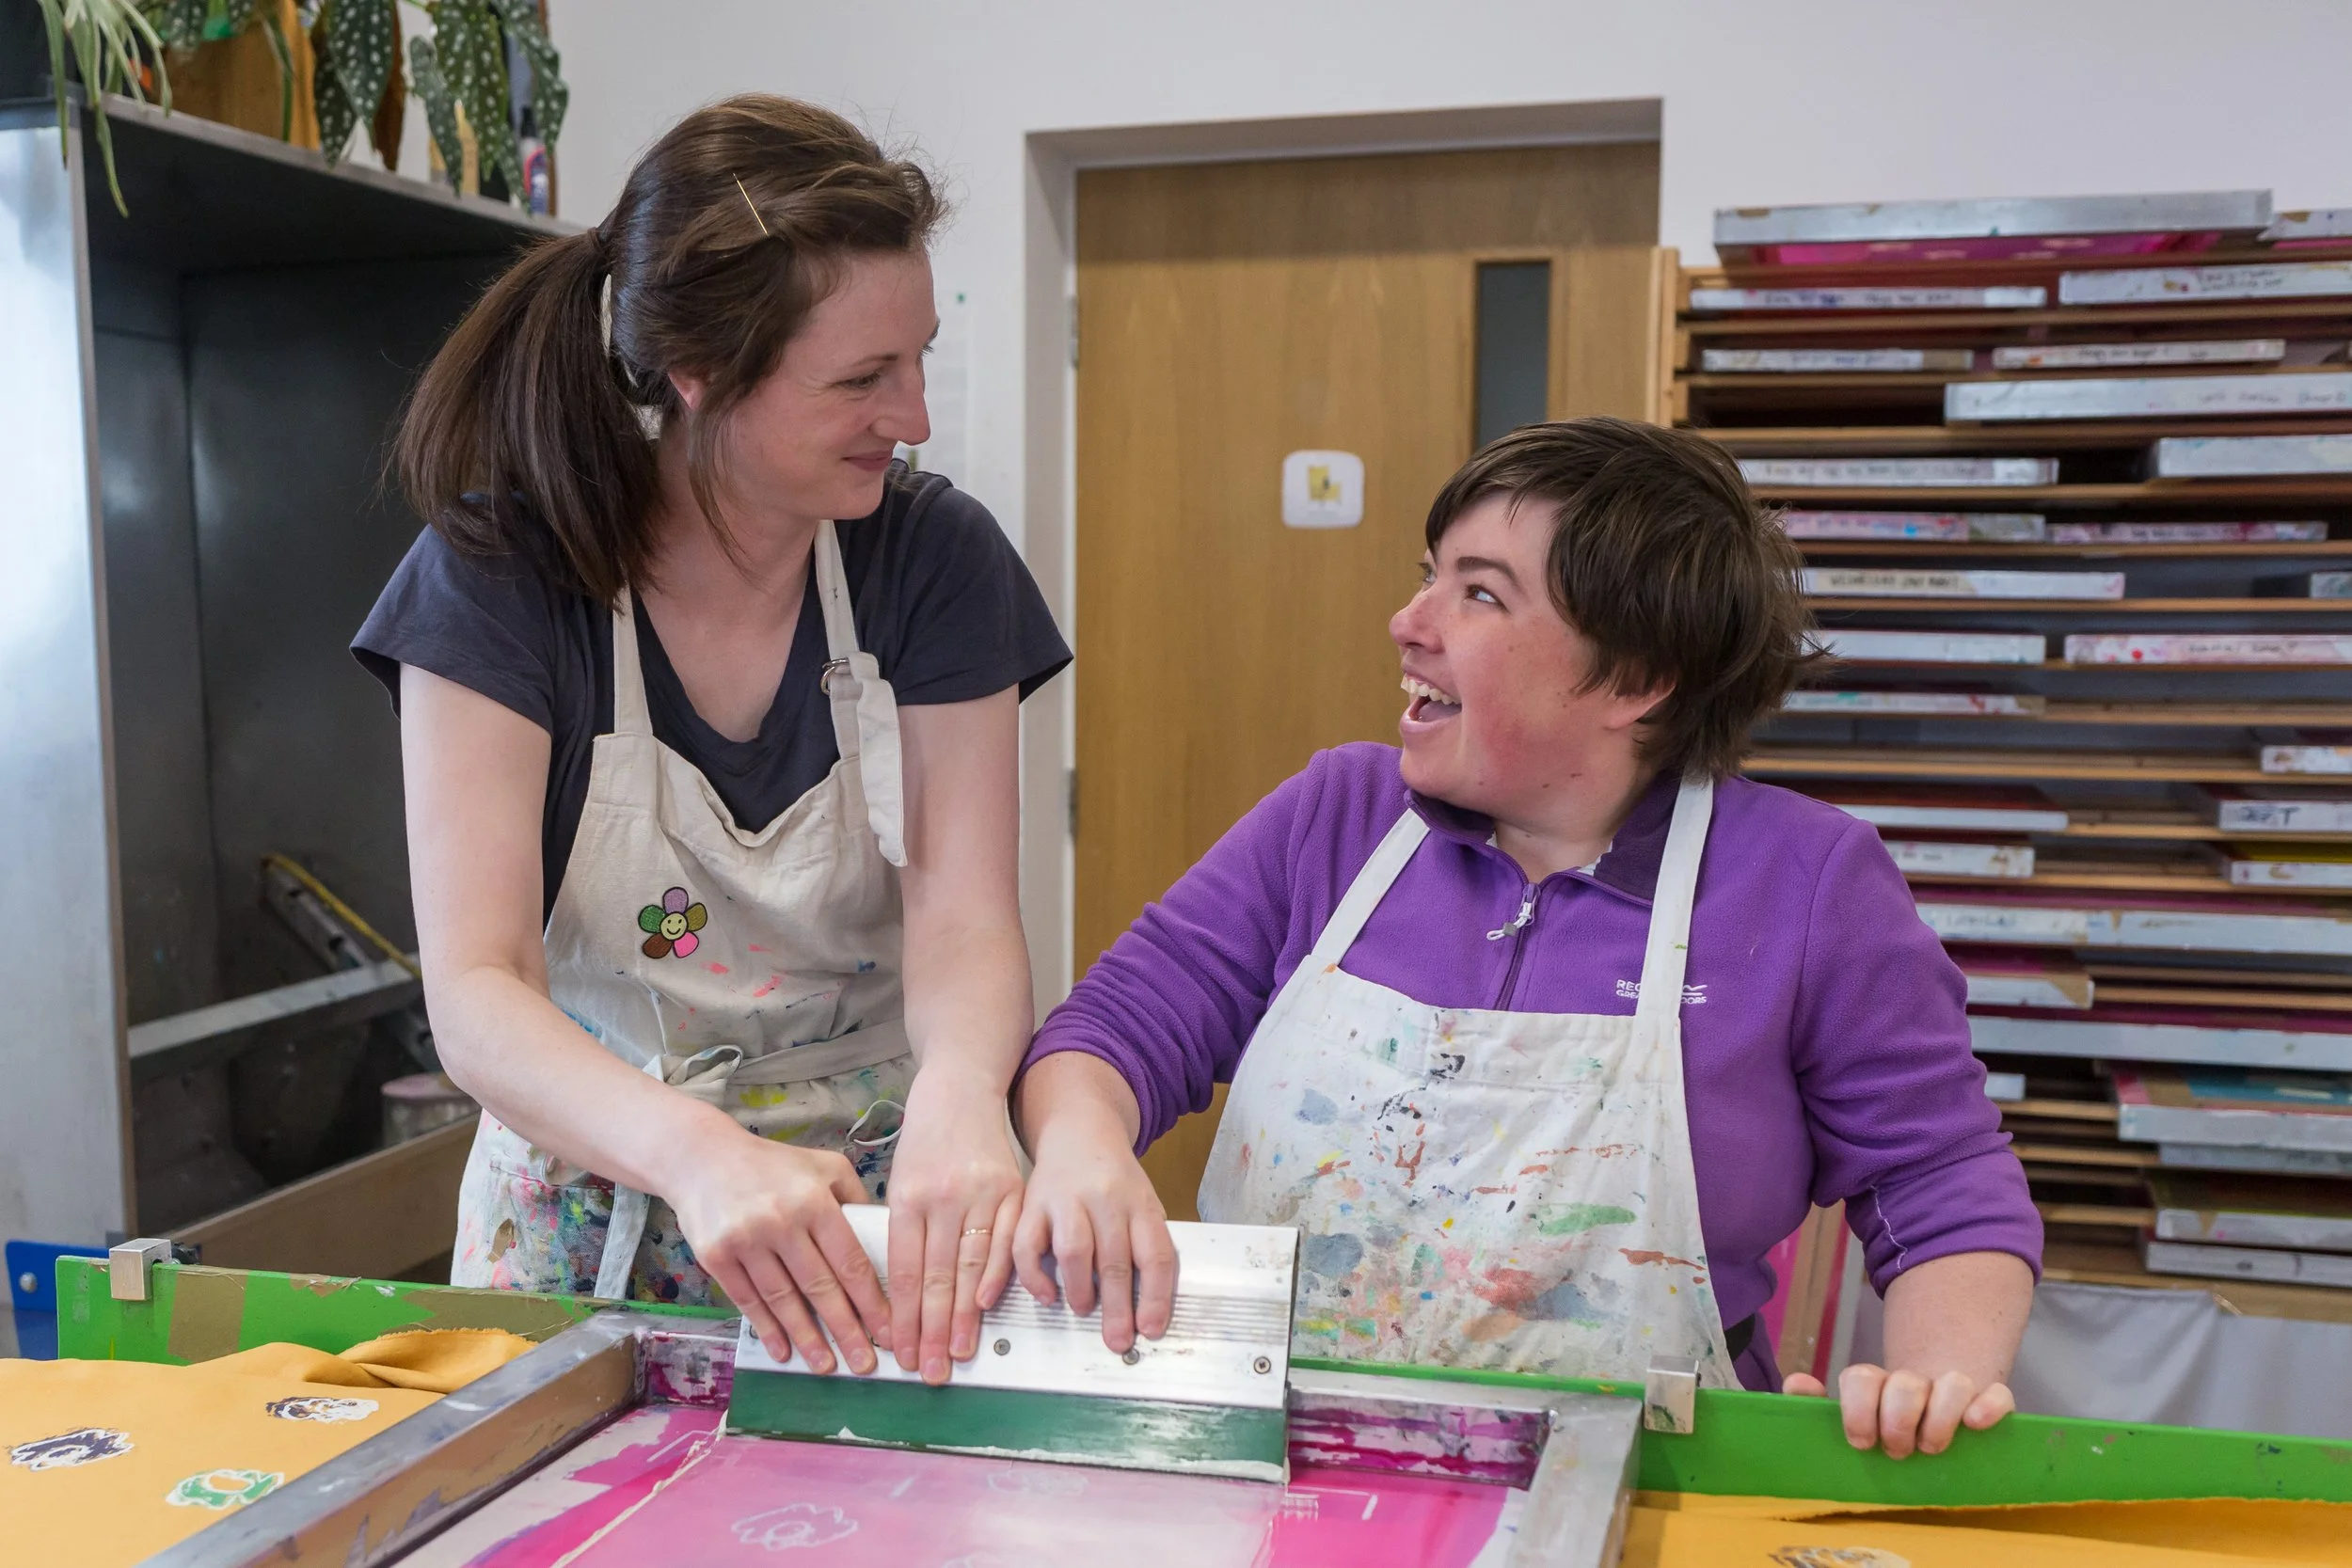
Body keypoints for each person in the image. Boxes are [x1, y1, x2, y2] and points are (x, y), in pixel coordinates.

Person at [1010, 418, 2042, 1459]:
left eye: (1479, 592)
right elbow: (1113, 1028)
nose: (1407, 621)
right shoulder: (1333, 818)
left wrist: (1934, 1381)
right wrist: (1081, 1139)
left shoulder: (1804, 882)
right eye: (1428, 575)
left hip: (1651, 1475)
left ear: (1634, 679)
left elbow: (1938, 1180)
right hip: (1285, 1453)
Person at [354, 96, 1068, 1387]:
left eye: (918, 360)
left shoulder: (935, 559)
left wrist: (965, 1096)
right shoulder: (501, 579)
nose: (912, 415)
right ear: (697, 373)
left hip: (868, 1224)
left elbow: (963, 920)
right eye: (862, 378)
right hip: (587, 1211)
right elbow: (478, 988)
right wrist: (692, 1150)